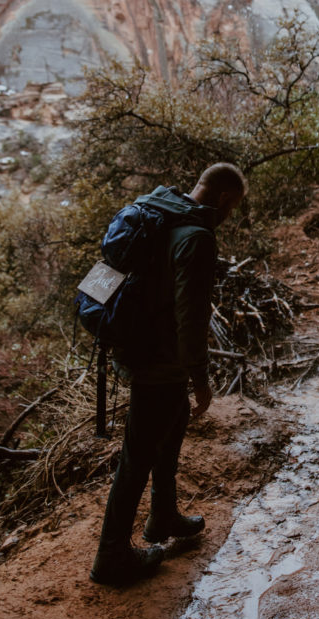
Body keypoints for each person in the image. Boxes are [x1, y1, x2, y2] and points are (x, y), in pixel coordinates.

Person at [90, 162, 247, 586]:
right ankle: (111, 555)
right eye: (235, 205)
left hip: (134, 344)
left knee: (173, 420)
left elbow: (103, 275)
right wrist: (200, 378)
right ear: (224, 199)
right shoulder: (196, 236)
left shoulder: (156, 210)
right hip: (157, 358)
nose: (232, 213)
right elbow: (190, 318)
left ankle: (162, 515)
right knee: (137, 454)